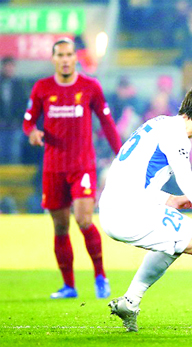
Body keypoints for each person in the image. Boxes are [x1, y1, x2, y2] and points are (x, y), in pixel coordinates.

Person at [100, 84, 192, 335]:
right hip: (130, 212)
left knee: (176, 242)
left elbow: (132, 176)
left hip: (114, 207)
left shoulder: (158, 123)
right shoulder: (176, 135)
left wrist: (170, 199)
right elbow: (186, 177)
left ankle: (130, 302)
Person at [22, 38, 122, 299]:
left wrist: (121, 155)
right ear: (53, 58)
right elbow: (29, 121)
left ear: (75, 57)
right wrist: (32, 132)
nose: (65, 59)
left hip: (82, 166)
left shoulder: (90, 86)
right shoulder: (42, 88)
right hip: (53, 168)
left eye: (69, 54)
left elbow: (108, 123)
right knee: (60, 227)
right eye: (60, 55)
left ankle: (100, 276)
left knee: (84, 219)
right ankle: (69, 286)